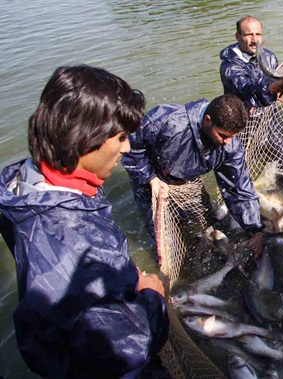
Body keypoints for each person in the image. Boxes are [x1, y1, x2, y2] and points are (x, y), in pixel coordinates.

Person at [0, 65, 169, 378]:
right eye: (120, 137)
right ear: (84, 137)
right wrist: (152, 298)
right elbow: (120, 350)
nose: (128, 147)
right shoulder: (60, 239)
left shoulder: (34, 185)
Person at [122, 94, 263, 245]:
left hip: (187, 181)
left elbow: (239, 188)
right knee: (163, 239)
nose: (227, 142)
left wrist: (255, 230)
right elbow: (131, 148)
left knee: (205, 226)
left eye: (232, 137)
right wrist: (150, 178)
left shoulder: (230, 147)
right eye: (223, 135)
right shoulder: (167, 120)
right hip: (153, 180)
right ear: (208, 120)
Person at [220, 15, 283, 171]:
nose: (255, 39)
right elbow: (246, 89)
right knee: (240, 170)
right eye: (249, 35)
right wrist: (277, 86)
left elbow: (274, 92)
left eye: (258, 34)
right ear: (238, 36)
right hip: (242, 125)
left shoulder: (268, 56)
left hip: (269, 120)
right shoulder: (229, 66)